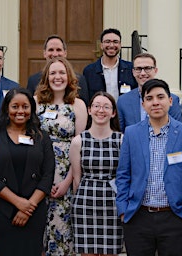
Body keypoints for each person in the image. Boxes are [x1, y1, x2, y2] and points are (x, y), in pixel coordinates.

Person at [116, 79, 182, 255]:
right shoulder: (132, 134)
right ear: (143, 104)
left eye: (160, 97)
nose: (155, 102)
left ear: (170, 101)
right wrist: (123, 209)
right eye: (149, 98)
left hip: (175, 217)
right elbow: (123, 174)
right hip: (138, 217)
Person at [0, 88, 55, 255]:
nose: (20, 111)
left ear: (32, 109)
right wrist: (18, 203)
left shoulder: (42, 137)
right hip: (4, 211)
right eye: (15, 106)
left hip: (34, 211)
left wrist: (28, 206)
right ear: (7, 108)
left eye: (25, 107)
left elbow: (48, 174)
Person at [35, 57, 88, 255]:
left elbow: (80, 146)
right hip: (39, 173)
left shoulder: (78, 105)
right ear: (47, 77)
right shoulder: (36, 102)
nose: (58, 77)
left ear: (69, 77)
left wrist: (68, 181)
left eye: (62, 73)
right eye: (53, 73)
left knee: (63, 228)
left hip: (67, 173)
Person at [70, 91, 123, 256]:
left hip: (112, 202)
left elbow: (124, 176)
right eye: (97, 106)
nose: (101, 110)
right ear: (89, 110)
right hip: (86, 202)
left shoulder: (121, 140)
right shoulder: (78, 141)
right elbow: (76, 179)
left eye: (106, 107)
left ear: (113, 112)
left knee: (110, 251)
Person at [117, 52, 181, 132]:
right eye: (138, 69)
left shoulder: (172, 99)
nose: (143, 73)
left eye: (147, 68)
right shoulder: (123, 101)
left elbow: (177, 130)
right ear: (133, 72)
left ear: (155, 70)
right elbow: (120, 132)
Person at [27, 34, 89, 105]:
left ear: (65, 53)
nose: (55, 54)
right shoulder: (33, 80)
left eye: (58, 50)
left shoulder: (80, 80)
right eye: (51, 50)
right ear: (44, 53)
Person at [83, 28, 137, 101]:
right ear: (101, 45)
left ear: (120, 45)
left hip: (124, 111)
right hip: (100, 111)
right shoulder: (89, 71)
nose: (111, 45)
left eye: (115, 42)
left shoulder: (131, 69)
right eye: (107, 42)